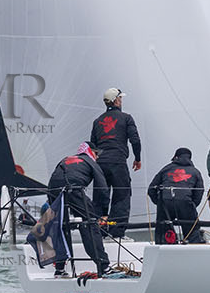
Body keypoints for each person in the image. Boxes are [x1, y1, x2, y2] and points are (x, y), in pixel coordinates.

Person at [45, 142, 110, 277]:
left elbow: (52, 181)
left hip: (53, 191)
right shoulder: (91, 162)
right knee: (90, 224)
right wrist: (103, 213)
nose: (97, 157)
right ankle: (104, 267)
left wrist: (52, 206)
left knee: (60, 227)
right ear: (91, 152)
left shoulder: (66, 159)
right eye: (96, 154)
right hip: (73, 189)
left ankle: (60, 269)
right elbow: (102, 188)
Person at [88, 88, 141, 238]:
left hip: (100, 163)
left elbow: (93, 146)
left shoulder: (97, 121)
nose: (121, 101)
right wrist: (137, 158)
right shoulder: (126, 118)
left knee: (100, 198)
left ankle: (100, 232)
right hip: (118, 162)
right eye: (120, 98)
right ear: (116, 100)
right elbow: (135, 140)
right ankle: (116, 233)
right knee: (122, 196)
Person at [147, 148, 206, 244]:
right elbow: (199, 192)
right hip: (185, 202)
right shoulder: (195, 172)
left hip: (165, 203)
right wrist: (192, 205)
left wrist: (159, 203)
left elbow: (151, 189)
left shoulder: (165, 169)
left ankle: (166, 246)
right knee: (192, 233)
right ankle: (194, 245)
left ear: (175, 157)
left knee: (165, 235)